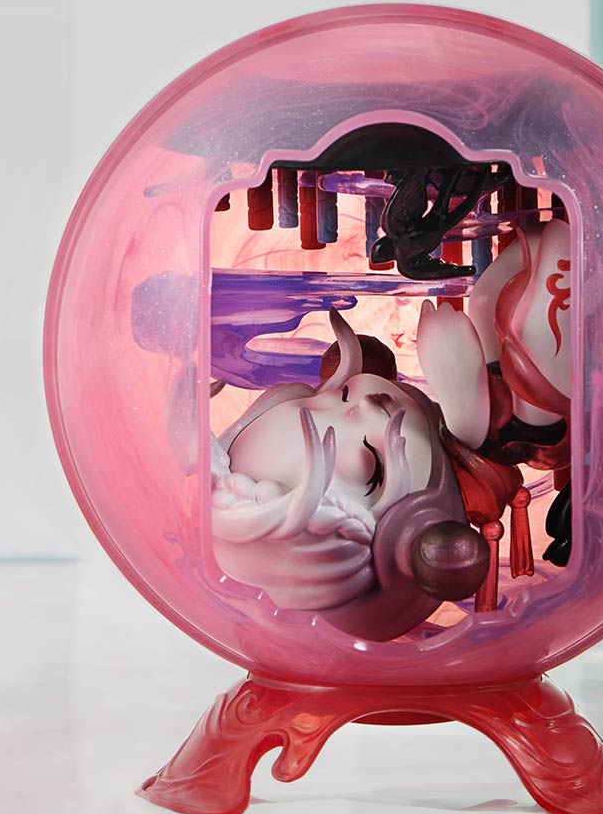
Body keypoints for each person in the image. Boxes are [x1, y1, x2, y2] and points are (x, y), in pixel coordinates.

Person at [209, 218, 573, 641]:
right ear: (418, 527)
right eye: (372, 461)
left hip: (496, 368)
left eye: (338, 394)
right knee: (535, 342)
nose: (363, 404)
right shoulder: (470, 430)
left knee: (487, 299)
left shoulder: (449, 420)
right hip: (538, 417)